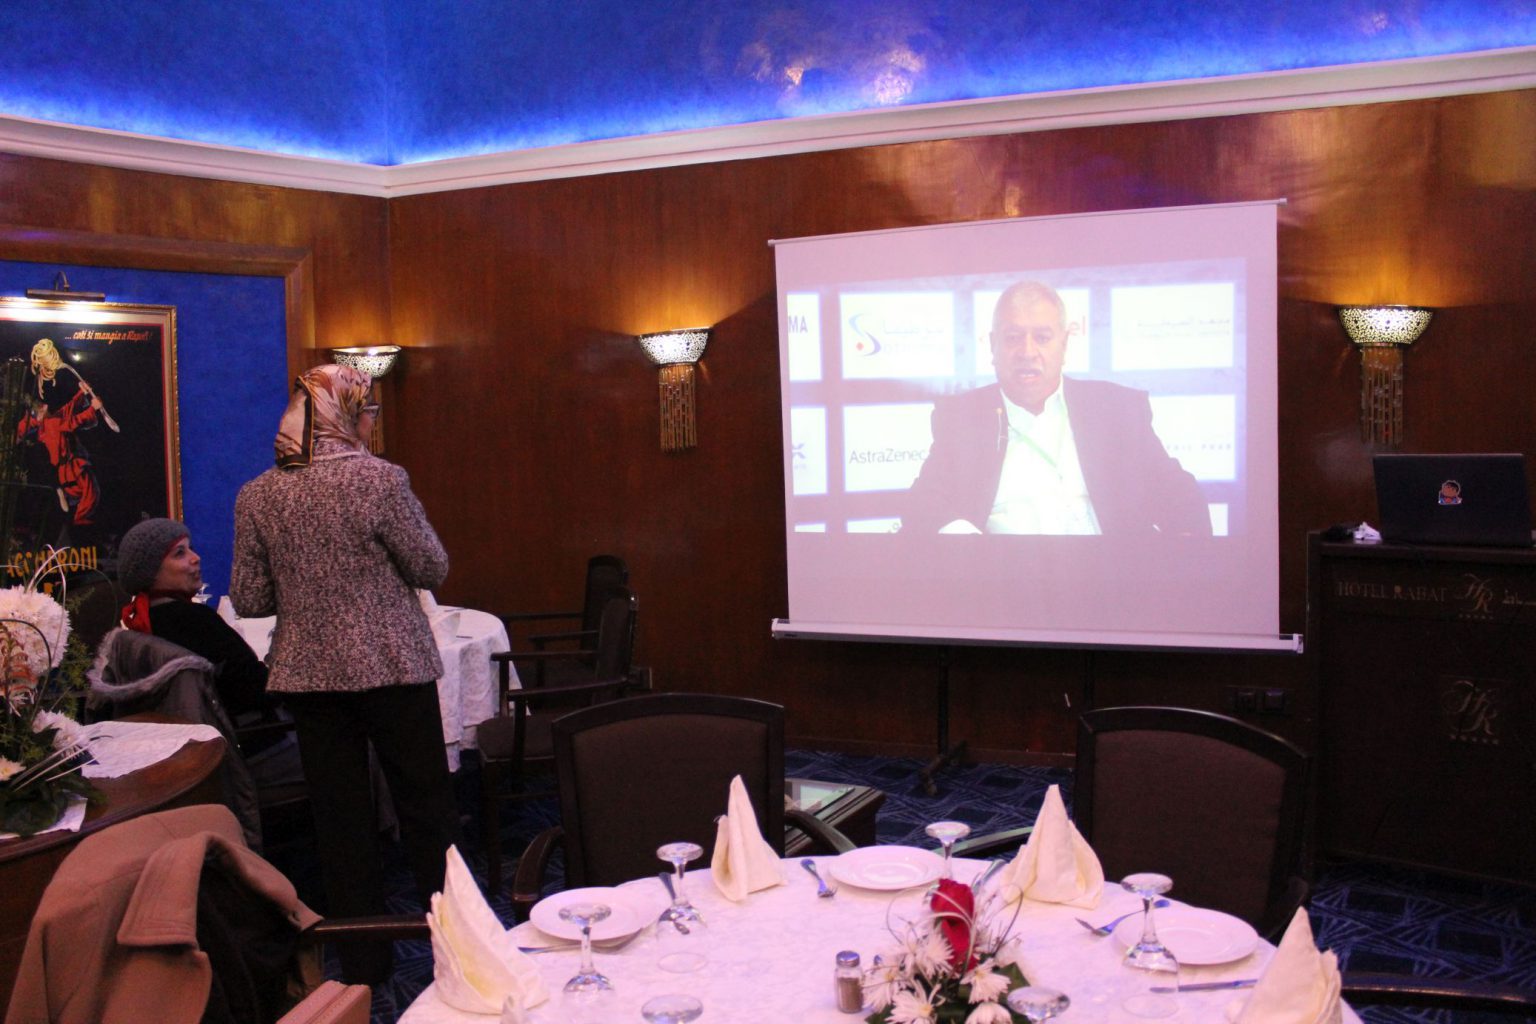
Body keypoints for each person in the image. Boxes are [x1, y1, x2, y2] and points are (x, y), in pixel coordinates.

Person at [229, 364, 458, 984]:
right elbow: (431, 568)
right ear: (347, 412)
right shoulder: (380, 480)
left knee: (341, 824)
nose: (372, 421)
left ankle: (363, 965)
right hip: (394, 666)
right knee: (427, 811)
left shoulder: (258, 494)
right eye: (369, 410)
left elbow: (249, 599)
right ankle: (459, 945)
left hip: (310, 678)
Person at [901, 280, 1212, 536]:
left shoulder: (1117, 410)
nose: (1027, 351)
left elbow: (1179, 493)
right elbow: (924, 502)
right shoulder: (962, 417)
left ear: (1063, 345)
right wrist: (970, 548)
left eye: (1042, 337)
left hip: (1110, 578)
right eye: (1013, 338)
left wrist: (1182, 554)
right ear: (993, 346)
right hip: (1006, 581)